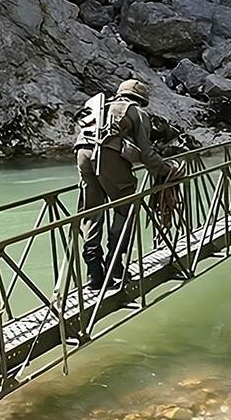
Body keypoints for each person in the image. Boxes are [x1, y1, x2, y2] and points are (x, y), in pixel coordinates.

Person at [74, 78, 182, 290]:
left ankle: (94, 273)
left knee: (92, 212)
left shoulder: (102, 106)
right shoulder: (136, 111)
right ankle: (115, 267)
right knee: (125, 208)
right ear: (141, 99)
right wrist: (166, 170)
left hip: (82, 153)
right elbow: (147, 153)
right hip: (107, 155)